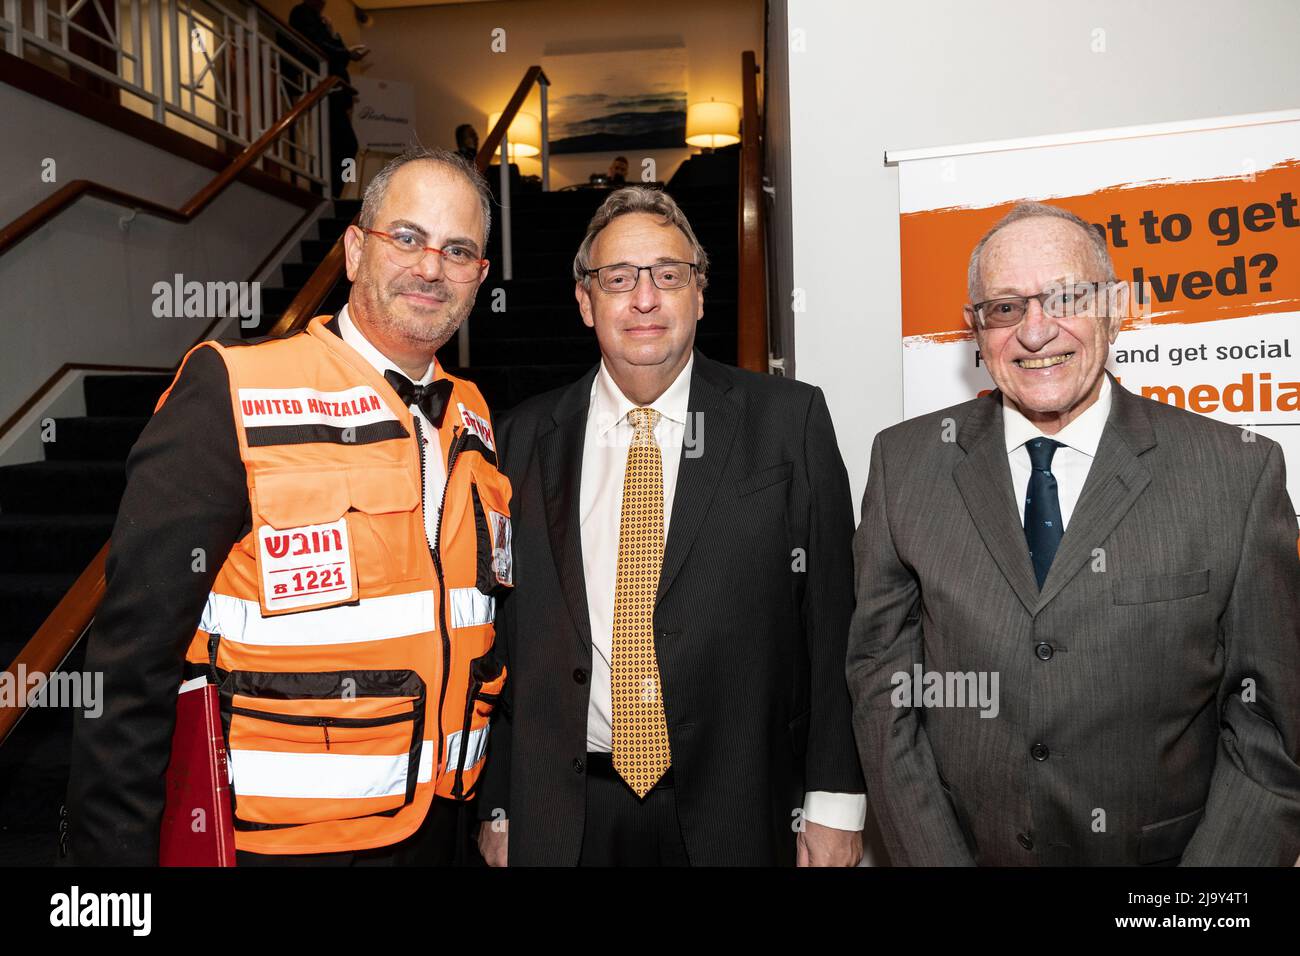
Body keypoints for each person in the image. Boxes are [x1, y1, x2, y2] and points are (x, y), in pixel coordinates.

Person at [63, 147, 512, 866]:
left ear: (479, 277)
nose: (431, 267)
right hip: (276, 847)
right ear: (356, 249)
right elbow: (129, 664)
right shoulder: (233, 390)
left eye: (458, 250)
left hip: (441, 835)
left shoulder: (476, 417)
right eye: (407, 237)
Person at [846, 201, 1300, 865]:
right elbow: (885, 694)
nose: (1036, 332)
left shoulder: (1236, 472)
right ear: (976, 327)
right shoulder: (905, 465)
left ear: (1115, 308)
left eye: (1066, 297)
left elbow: (1268, 732)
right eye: (1005, 307)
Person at [476, 186, 865, 866]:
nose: (645, 299)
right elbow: (500, 640)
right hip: (563, 818)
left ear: (701, 293)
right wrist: (499, 806)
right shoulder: (519, 439)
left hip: (739, 809)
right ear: (584, 300)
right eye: (618, 279)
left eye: (668, 275)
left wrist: (835, 803)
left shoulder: (787, 423)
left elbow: (833, 621)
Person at [288, 0, 368, 196]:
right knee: (343, 146)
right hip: (322, 91)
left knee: (345, 148)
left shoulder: (320, 20)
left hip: (334, 91)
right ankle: (329, 192)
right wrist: (346, 53)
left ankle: (336, 191)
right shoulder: (302, 13)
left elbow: (335, 50)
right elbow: (320, 47)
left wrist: (333, 33)